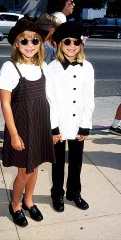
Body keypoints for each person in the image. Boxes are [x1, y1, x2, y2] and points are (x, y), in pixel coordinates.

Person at [0, 17, 56, 227]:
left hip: (40, 124)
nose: (30, 45)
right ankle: (15, 204)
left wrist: (53, 129)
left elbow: (49, 99)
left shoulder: (43, 66)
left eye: (35, 41)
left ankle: (28, 200)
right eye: (24, 41)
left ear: (42, 43)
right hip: (22, 125)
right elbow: (5, 104)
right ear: (16, 43)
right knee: (25, 170)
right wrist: (14, 134)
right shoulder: (10, 67)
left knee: (36, 166)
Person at [46, 22, 95, 212]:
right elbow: (50, 101)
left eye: (76, 42)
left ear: (81, 44)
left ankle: (74, 192)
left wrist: (85, 125)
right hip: (59, 123)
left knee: (76, 161)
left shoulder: (87, 67)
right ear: (59, 44)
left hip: (78, 124)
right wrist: (53, 128)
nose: (72, 46)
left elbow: (89, 97)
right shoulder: (51, 69)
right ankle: (57, 193)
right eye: (67, 42)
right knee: (57, 163)